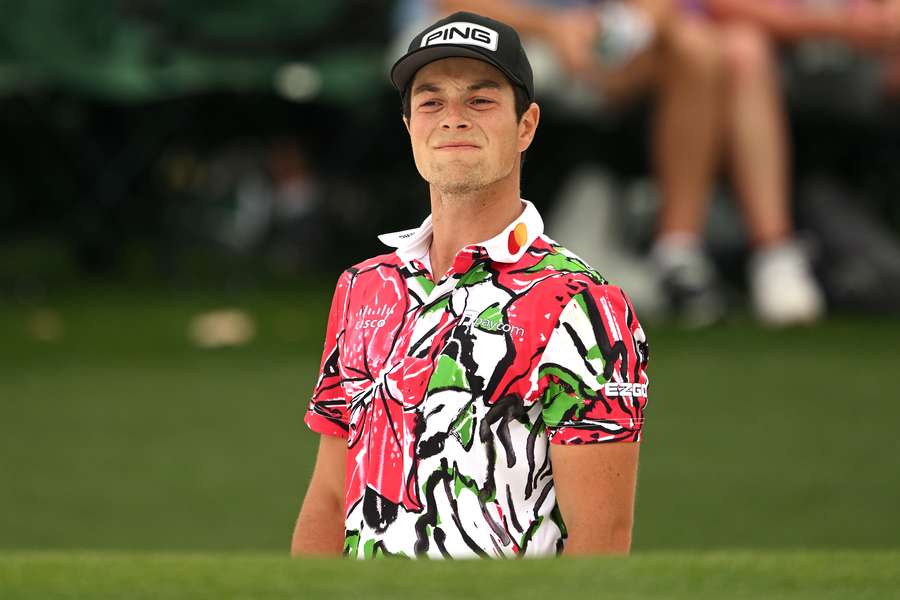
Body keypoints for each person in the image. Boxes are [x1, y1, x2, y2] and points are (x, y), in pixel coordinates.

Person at [292, 12, 650, 559]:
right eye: (431, 101)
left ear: (526, 125)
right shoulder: (363, 287)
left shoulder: (584, 304)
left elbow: (602, 541)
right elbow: (329, 496)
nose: (453, 118)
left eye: (480, 100)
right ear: (409, 125)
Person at [400, 0, 828, 327]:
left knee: (700, 49)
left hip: (582, 39)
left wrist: (616, 33)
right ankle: (455, 267)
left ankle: (679, 253)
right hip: (462, 38)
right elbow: (451, 7)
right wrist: (555, 30)